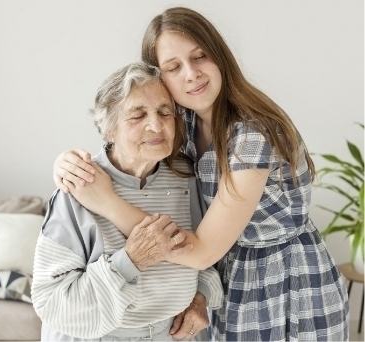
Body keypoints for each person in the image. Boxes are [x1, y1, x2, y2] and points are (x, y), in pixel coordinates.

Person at [53, 6, 349, 342]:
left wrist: (105, 201)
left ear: (219, 57)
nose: (191, 73)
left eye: (200, 56)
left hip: (285, 281)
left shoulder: (251, 136)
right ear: (159, 78)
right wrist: (68, 162)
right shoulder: (184, 124)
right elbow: (122, 140)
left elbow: (204, 250)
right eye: (173, 67)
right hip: (230, 277)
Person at [32, 61, 223, 342]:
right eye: (137, 115)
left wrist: (200, 298)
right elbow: (52, 303)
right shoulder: (78, 185)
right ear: (109, 129)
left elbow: (207, 255)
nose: (156, 125)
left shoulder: (187, 178)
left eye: (164, 112)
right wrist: (130, 260)